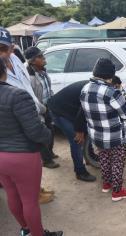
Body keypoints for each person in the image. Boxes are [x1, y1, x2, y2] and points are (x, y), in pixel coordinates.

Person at [0, 58, 63, 236]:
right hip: (22, 156)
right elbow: (35, 130)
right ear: (4, 70)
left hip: (1, 157)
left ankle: (26, 230)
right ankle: (38, 234)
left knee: (12, 194)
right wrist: (48, 136)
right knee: (30, 200)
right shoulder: (17, 95)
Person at [80, 58, 126, 202]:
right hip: (113, 135)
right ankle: (117, 191)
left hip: (96, 134)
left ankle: (106, 184)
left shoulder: (85, 88)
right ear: (110, 74)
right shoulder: (112, 92)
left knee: (104, 157)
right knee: (117, 160)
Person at [47, 81, 96, 182]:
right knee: (77, 140)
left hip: (70, 109)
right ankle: (80, 172)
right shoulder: (91, 92)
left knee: (86, 133)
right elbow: (82, 113)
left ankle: (90, 156)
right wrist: (79, 130)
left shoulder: (96, 86)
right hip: (58, 111)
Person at [25, 46, 60, 169]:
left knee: (51, 130)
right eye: (40, 56)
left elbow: (48, 89)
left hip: (47, 106)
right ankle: (46, 160)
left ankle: (49, 153)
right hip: (37, 109)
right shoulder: (29, 77)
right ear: (33, 61)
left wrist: (52, 101)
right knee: (42, 134)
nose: (44, 58)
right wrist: (42, 108)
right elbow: (30, 97)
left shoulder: (43, 72)